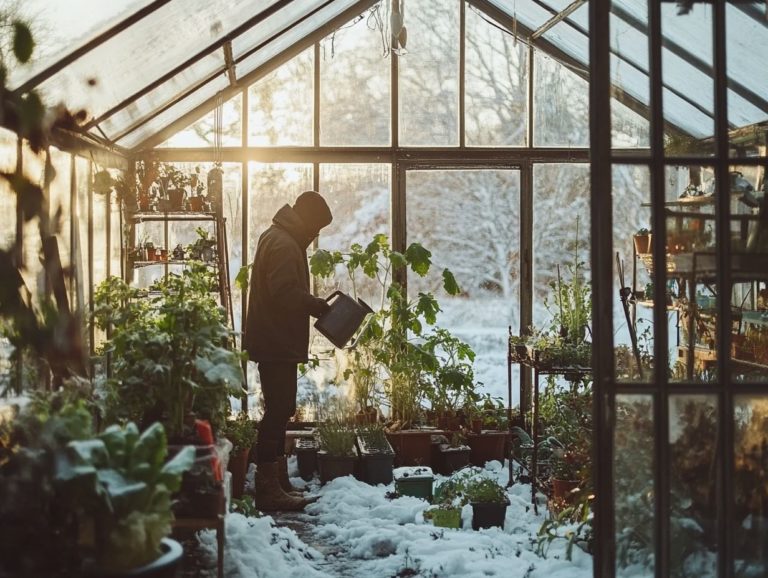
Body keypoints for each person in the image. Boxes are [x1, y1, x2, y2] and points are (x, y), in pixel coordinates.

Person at [243, 190, 333, 511]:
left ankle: (277, 481)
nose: (315, 235)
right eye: (316, 228)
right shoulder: (283, 244)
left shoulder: (279, 236)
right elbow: (284, 293)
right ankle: (269, 490)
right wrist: (316, 306)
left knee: (281, 410)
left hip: (274, 340)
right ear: (306, 219)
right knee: (278, 411)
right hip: (275, 341)